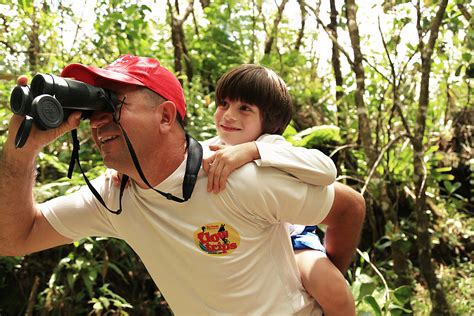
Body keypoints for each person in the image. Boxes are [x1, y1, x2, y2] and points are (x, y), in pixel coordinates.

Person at [0, 55, 365, 315]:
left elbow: (349, 206)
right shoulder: (115, 196)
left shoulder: (235, 175)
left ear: (165, 116)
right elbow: (14, 238)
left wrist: (324, 271)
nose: (98, 121)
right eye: (95, 108)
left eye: (113, 103)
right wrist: (20, 153)